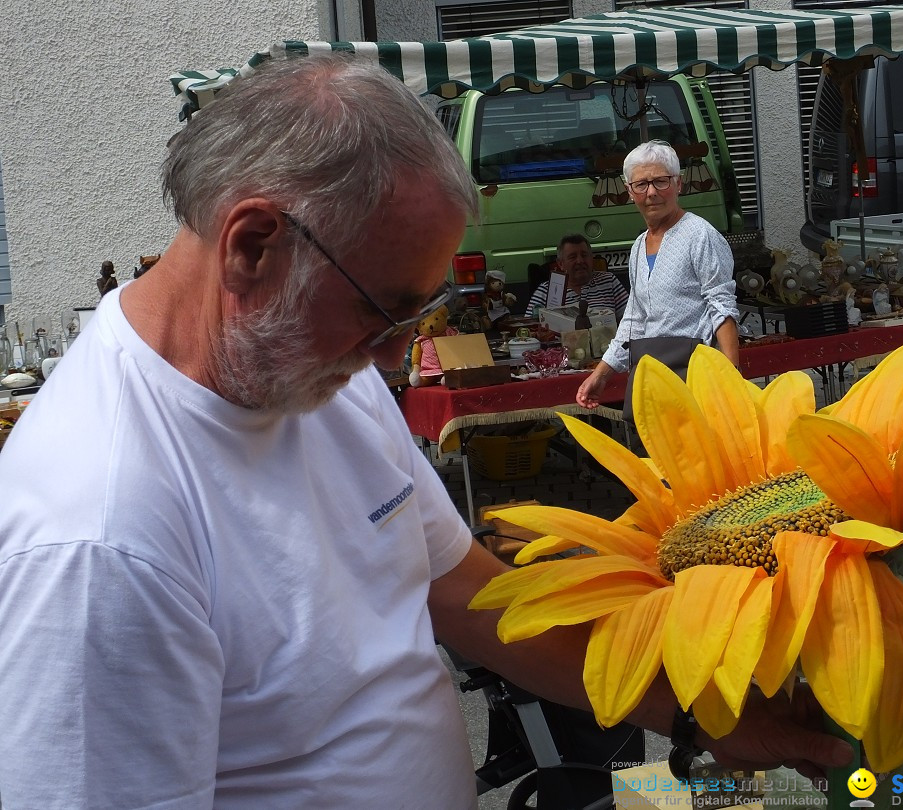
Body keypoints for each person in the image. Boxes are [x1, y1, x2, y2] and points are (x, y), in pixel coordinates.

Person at [0, 58, 849, 808]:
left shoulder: (318, 373)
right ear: (252, 246)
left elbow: (470, 598)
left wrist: (705, 713)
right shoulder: (98, 534)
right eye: (387, 312)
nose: (402, 355)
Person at [575, 140, 739, 409]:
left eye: (661, 181)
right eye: (641, 184)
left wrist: (732, 376)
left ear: (678, 184)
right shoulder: (639, 246)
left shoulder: (700, 235)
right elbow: (634, 319)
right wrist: (601, 375)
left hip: (693, 374)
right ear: (629, 191)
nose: (651, 192)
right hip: (650, 376)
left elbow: (721, 306)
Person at [526, 233, 629, 319]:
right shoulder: (546, 290)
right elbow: (528, 330)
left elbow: (633, 319)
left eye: (584, 255)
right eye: (573, 257)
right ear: (561, 264)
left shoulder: (609, 281)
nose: (580, 261)